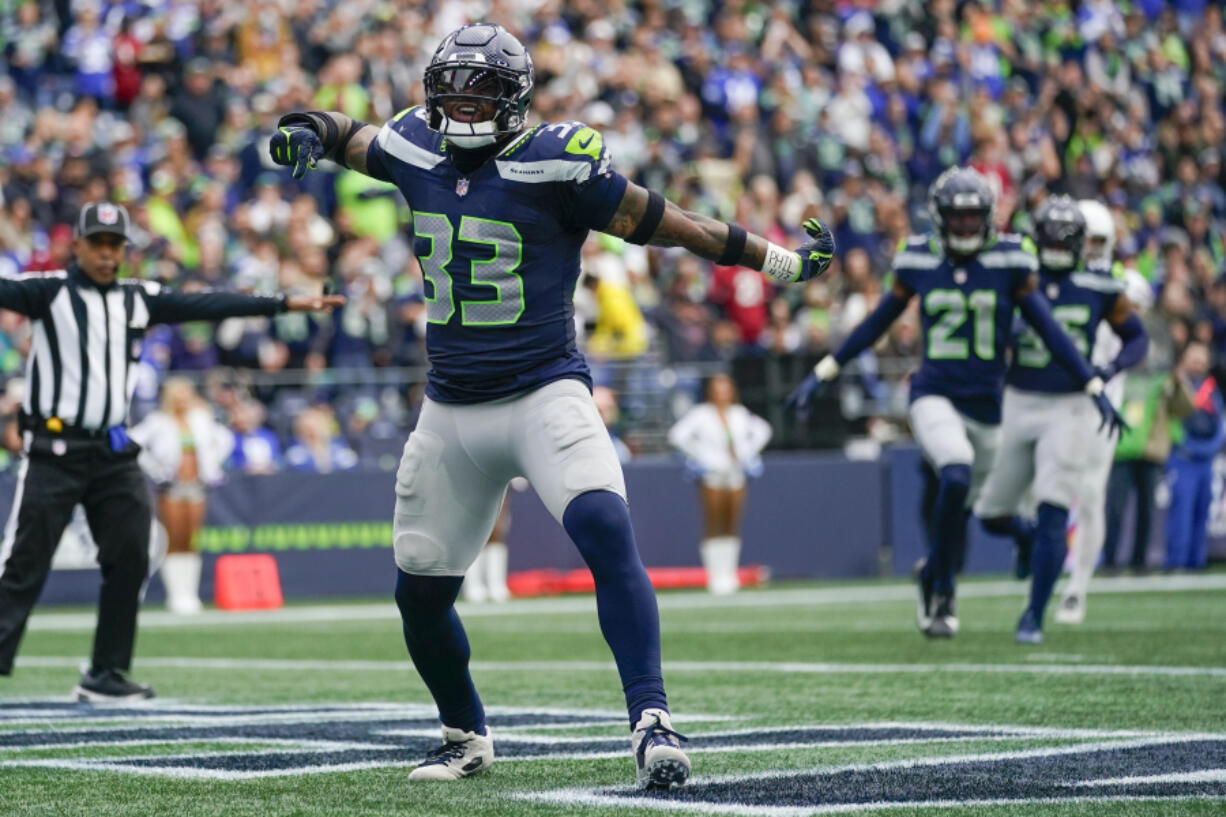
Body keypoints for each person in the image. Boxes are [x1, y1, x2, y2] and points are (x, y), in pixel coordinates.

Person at [269, 22, 833, 789]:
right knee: (419, 592)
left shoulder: (557, 165)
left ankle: (652, 719)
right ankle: (464, 733)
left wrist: (778, 260)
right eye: (453, 87)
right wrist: (304, 127)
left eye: (482, 90)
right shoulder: (412, 146)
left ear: (515, 99)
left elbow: (676, 227)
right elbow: (344, 134)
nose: (464, 105)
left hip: (543, 389)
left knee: (604, 524)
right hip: (451, 408)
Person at [0, 201, 344, 700]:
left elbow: (207, 304)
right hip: (54, 448)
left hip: (110, 448)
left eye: (114, 245)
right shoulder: (49, 291)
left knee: (132, 554)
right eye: (96, 243)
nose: (105, 253)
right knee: (26, 563)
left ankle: (105, 672)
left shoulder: (136, 298)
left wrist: (285, 304)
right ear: (76, 245)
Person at [787, 169, 1123, 640]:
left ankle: (934, 573)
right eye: (957, 218)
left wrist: (1091, 383)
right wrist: (825, 369)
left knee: (964, 506)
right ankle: (944, 587)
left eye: (973, 218)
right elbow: (878, 321)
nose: (965, 228)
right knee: (956, 470)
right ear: (940, 219)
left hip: (989, 407)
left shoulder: (1009, 260)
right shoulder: (920, 259)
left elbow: (1048, 328)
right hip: (934, 392)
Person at [972, 196, 1148, 645]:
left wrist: (1108, 375)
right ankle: (1028, 542)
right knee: (994, 511)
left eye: (1076, 239)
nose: (1066, 247)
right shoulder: (1020, 277)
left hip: (1079, 404)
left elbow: (1135, 338)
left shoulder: (1108, 284)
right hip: (1020, 397)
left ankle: (1049, 605)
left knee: (1070, 501)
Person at [1055, 199, 1155, 624]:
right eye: (1086, 240)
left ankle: (1077, 587)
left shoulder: (1120, 283)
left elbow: (1136, 322)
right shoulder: (1057, 277)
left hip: (1102, 404)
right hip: (1057, 398)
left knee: (1092, 494)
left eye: (1098, 241)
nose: (1090, 249)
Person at [129, 377, 233, 615]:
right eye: (178, 393)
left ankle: (190, 594)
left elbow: (224, 439)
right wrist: (156, 469)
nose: (183, 398)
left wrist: (212, 466)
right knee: (174, 539)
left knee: (191, 539)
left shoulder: (200, 419)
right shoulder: (158, 421)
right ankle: (177, 595)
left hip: (196, 484)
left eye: (186, 393)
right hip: (171, 486)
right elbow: (134, 442)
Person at [667, 373, 771, 594]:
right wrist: (701, 456)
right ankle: (715, 575)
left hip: (735, 473)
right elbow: (677, 435)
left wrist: (746, 453)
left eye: (726, 389)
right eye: (718, 389)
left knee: (732, 523)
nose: (722, 394)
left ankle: (730, 573)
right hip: (712, 474)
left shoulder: (740, 414)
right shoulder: (701, 414)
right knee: (713, 523)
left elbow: (763, 430)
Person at [1163, 342, 1222, 571]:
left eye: (1202, 358)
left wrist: (1211, 448)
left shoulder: (1210, 387)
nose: (1198, 363)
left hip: (1206, 461)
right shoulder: (1176, 384)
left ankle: (1197, 561)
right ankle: (1176, 562)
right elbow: (1170, 421)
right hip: (1183, 459)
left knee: (1202, 511)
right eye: (1194, 358)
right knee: (1181, 512)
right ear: (1184, 359)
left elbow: (1219, 422)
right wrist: (1185, 448)